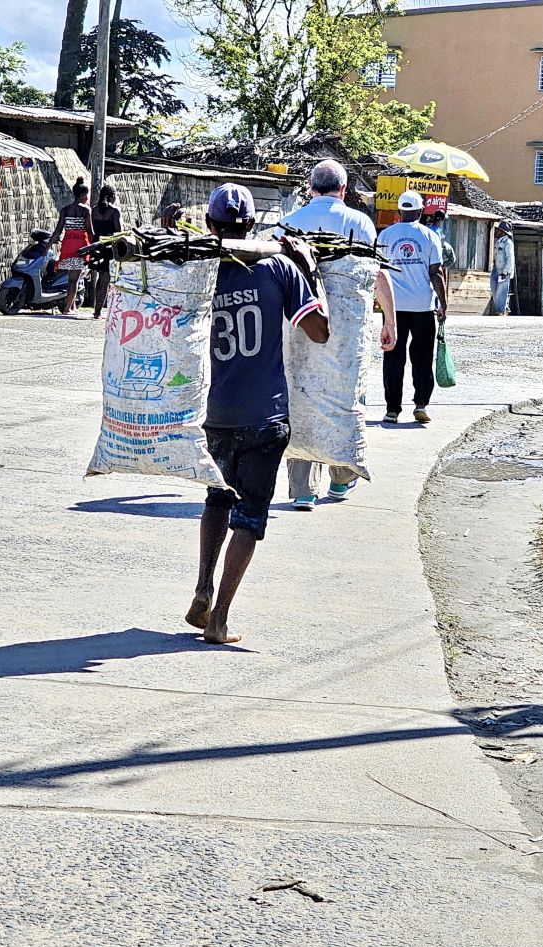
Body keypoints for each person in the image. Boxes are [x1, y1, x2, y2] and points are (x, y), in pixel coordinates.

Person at [185, 183, 329, 644]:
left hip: (215, 413)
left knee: (216, 502)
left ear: (210, 226)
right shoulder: (279, 267)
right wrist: (309, 270)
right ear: (252, 225)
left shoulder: (198, 268)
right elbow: (320, 332)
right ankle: (220, 618)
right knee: (249, 517)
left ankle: (203, 586)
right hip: (265, 417)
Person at [275, 159, 397, 510]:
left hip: (299, 325)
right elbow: (375, 274)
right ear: (343, 190)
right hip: (346, 332)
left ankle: (302, 491)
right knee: (344, 396)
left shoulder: (289, 223)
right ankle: (342, 479)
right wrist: (390, 321)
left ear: (310, 188)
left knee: (299, 396)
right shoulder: (359, 222)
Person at [379, 189, 446, 424]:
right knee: (422, 357)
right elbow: (436, 272)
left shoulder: (385, 236)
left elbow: (379, 273)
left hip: (393, 307)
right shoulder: (430, 236)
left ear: (399, 211)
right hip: (422, 306)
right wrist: (443, 304)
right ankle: (420, 404)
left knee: (393, 357)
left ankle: (392, 410)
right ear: (420, 211)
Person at [46, 176, 94, 315]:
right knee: (74, 279)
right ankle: (67, 309)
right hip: (80, 248)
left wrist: (47, 247)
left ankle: (72, 307)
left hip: (67, 246)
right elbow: (90, 232)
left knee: (71, 278)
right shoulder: (86, 210)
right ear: (83, 195)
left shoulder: (65, 210)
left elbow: (57, 231)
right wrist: (94, 247)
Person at [91, 184, 122, 319]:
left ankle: (97, 310)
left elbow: (94, 230)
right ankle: (98, 312)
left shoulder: (94, 210)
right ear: (111, 196)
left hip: (97, 246)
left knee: (100, 278)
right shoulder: (114, 211)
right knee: (105, 279)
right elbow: (119, 232)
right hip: (109, 247)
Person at [490, 221, 515, 315]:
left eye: (498, 230)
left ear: (503, 232)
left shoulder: (507, 243)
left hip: (503, 271)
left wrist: (505, 272)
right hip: (496, 269)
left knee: (501, 290)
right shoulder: (498, 242)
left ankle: (501, 310)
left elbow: (510, 259)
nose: (496, 231)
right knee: (494, 290)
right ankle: (503, 307)